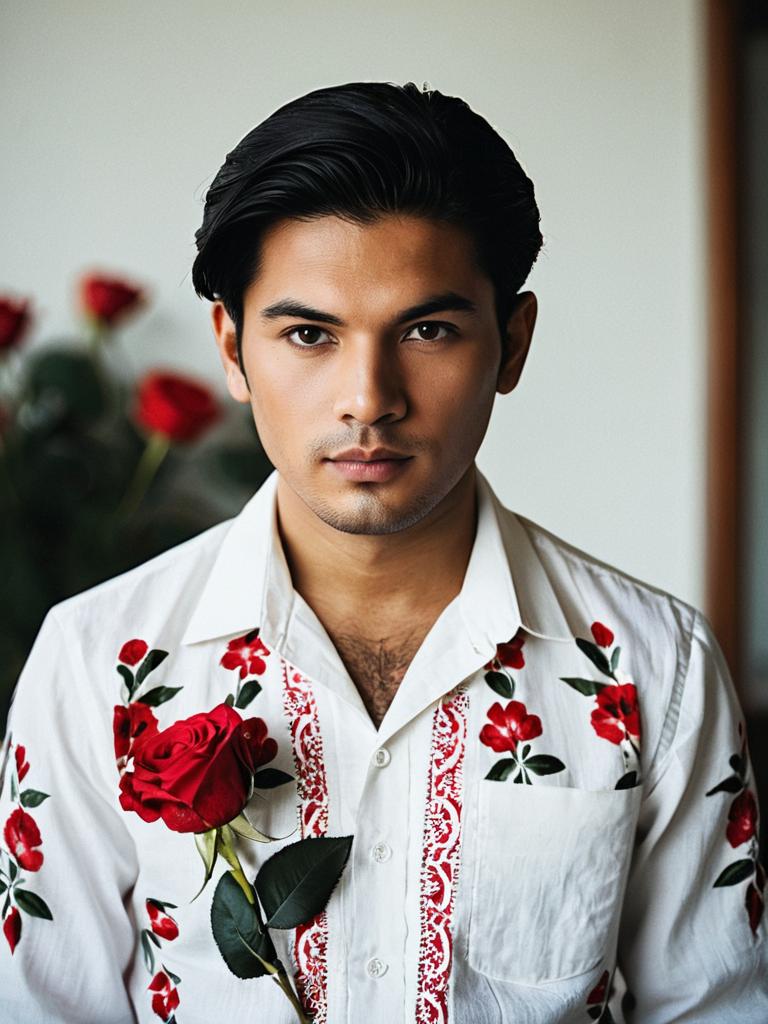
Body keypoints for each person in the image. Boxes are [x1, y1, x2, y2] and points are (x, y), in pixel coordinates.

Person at [0, 80, 765, 1024]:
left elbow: (717, 1008)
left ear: (512, 345)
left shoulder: (658, 667)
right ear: (233, 351)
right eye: (310, 334)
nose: (369, 397)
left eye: (428, 329)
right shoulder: (96, 663)